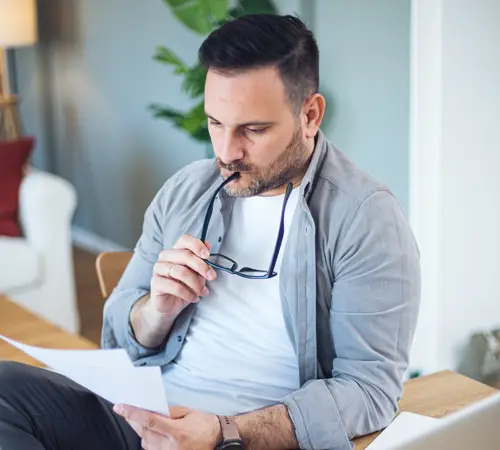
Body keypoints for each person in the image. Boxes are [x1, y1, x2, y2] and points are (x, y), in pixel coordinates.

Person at [0, 13, 420, 450]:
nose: (226, 151)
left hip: (242, 438)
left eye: (253, 130)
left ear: (309, 115)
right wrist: (156, 311)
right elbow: (120, 329)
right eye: (215, 123)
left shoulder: (364, 219)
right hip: (145, 417)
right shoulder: (187, 190)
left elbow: (370, 390)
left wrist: (224, 431)